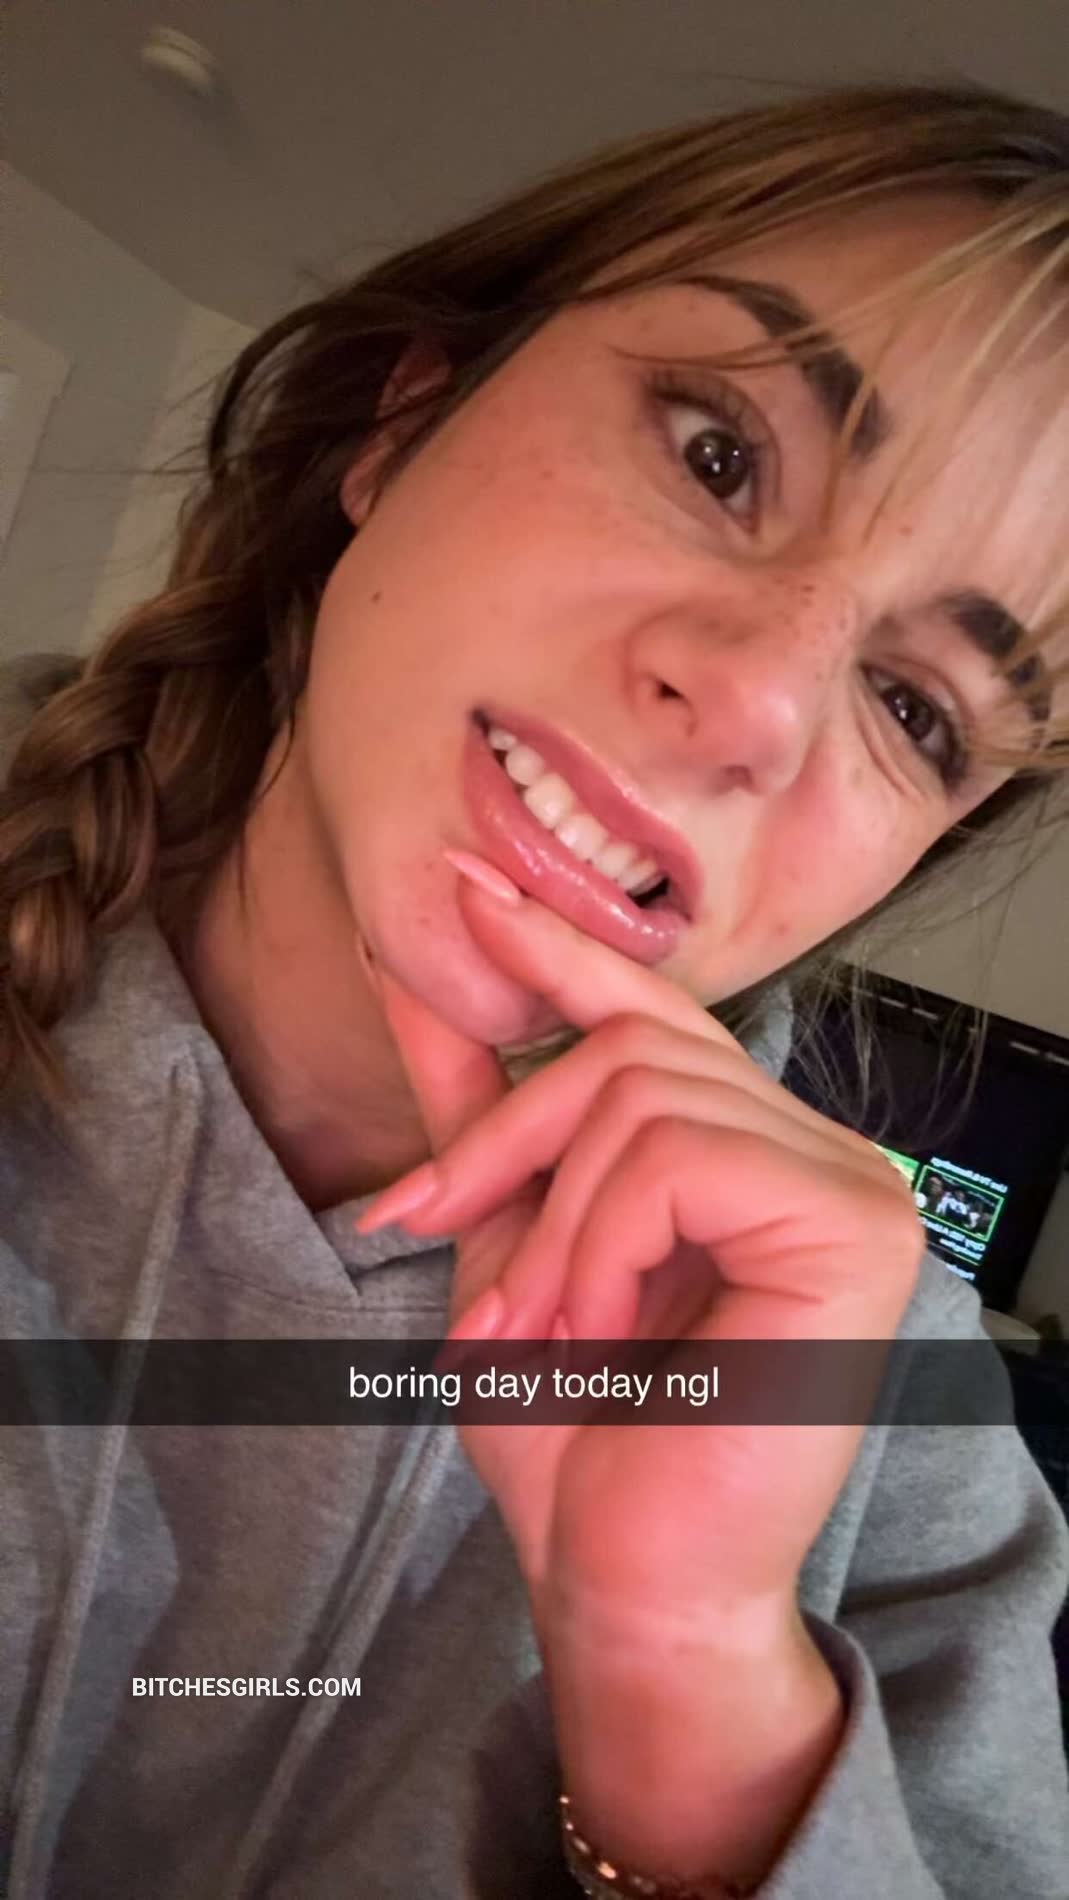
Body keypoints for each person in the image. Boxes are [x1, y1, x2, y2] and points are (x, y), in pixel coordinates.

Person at [1, 81, 1068, 1900]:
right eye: (718, 456)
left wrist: (691, 1702)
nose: (752, 705)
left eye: (913, 710)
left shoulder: (896, 1427)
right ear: (401, 425)